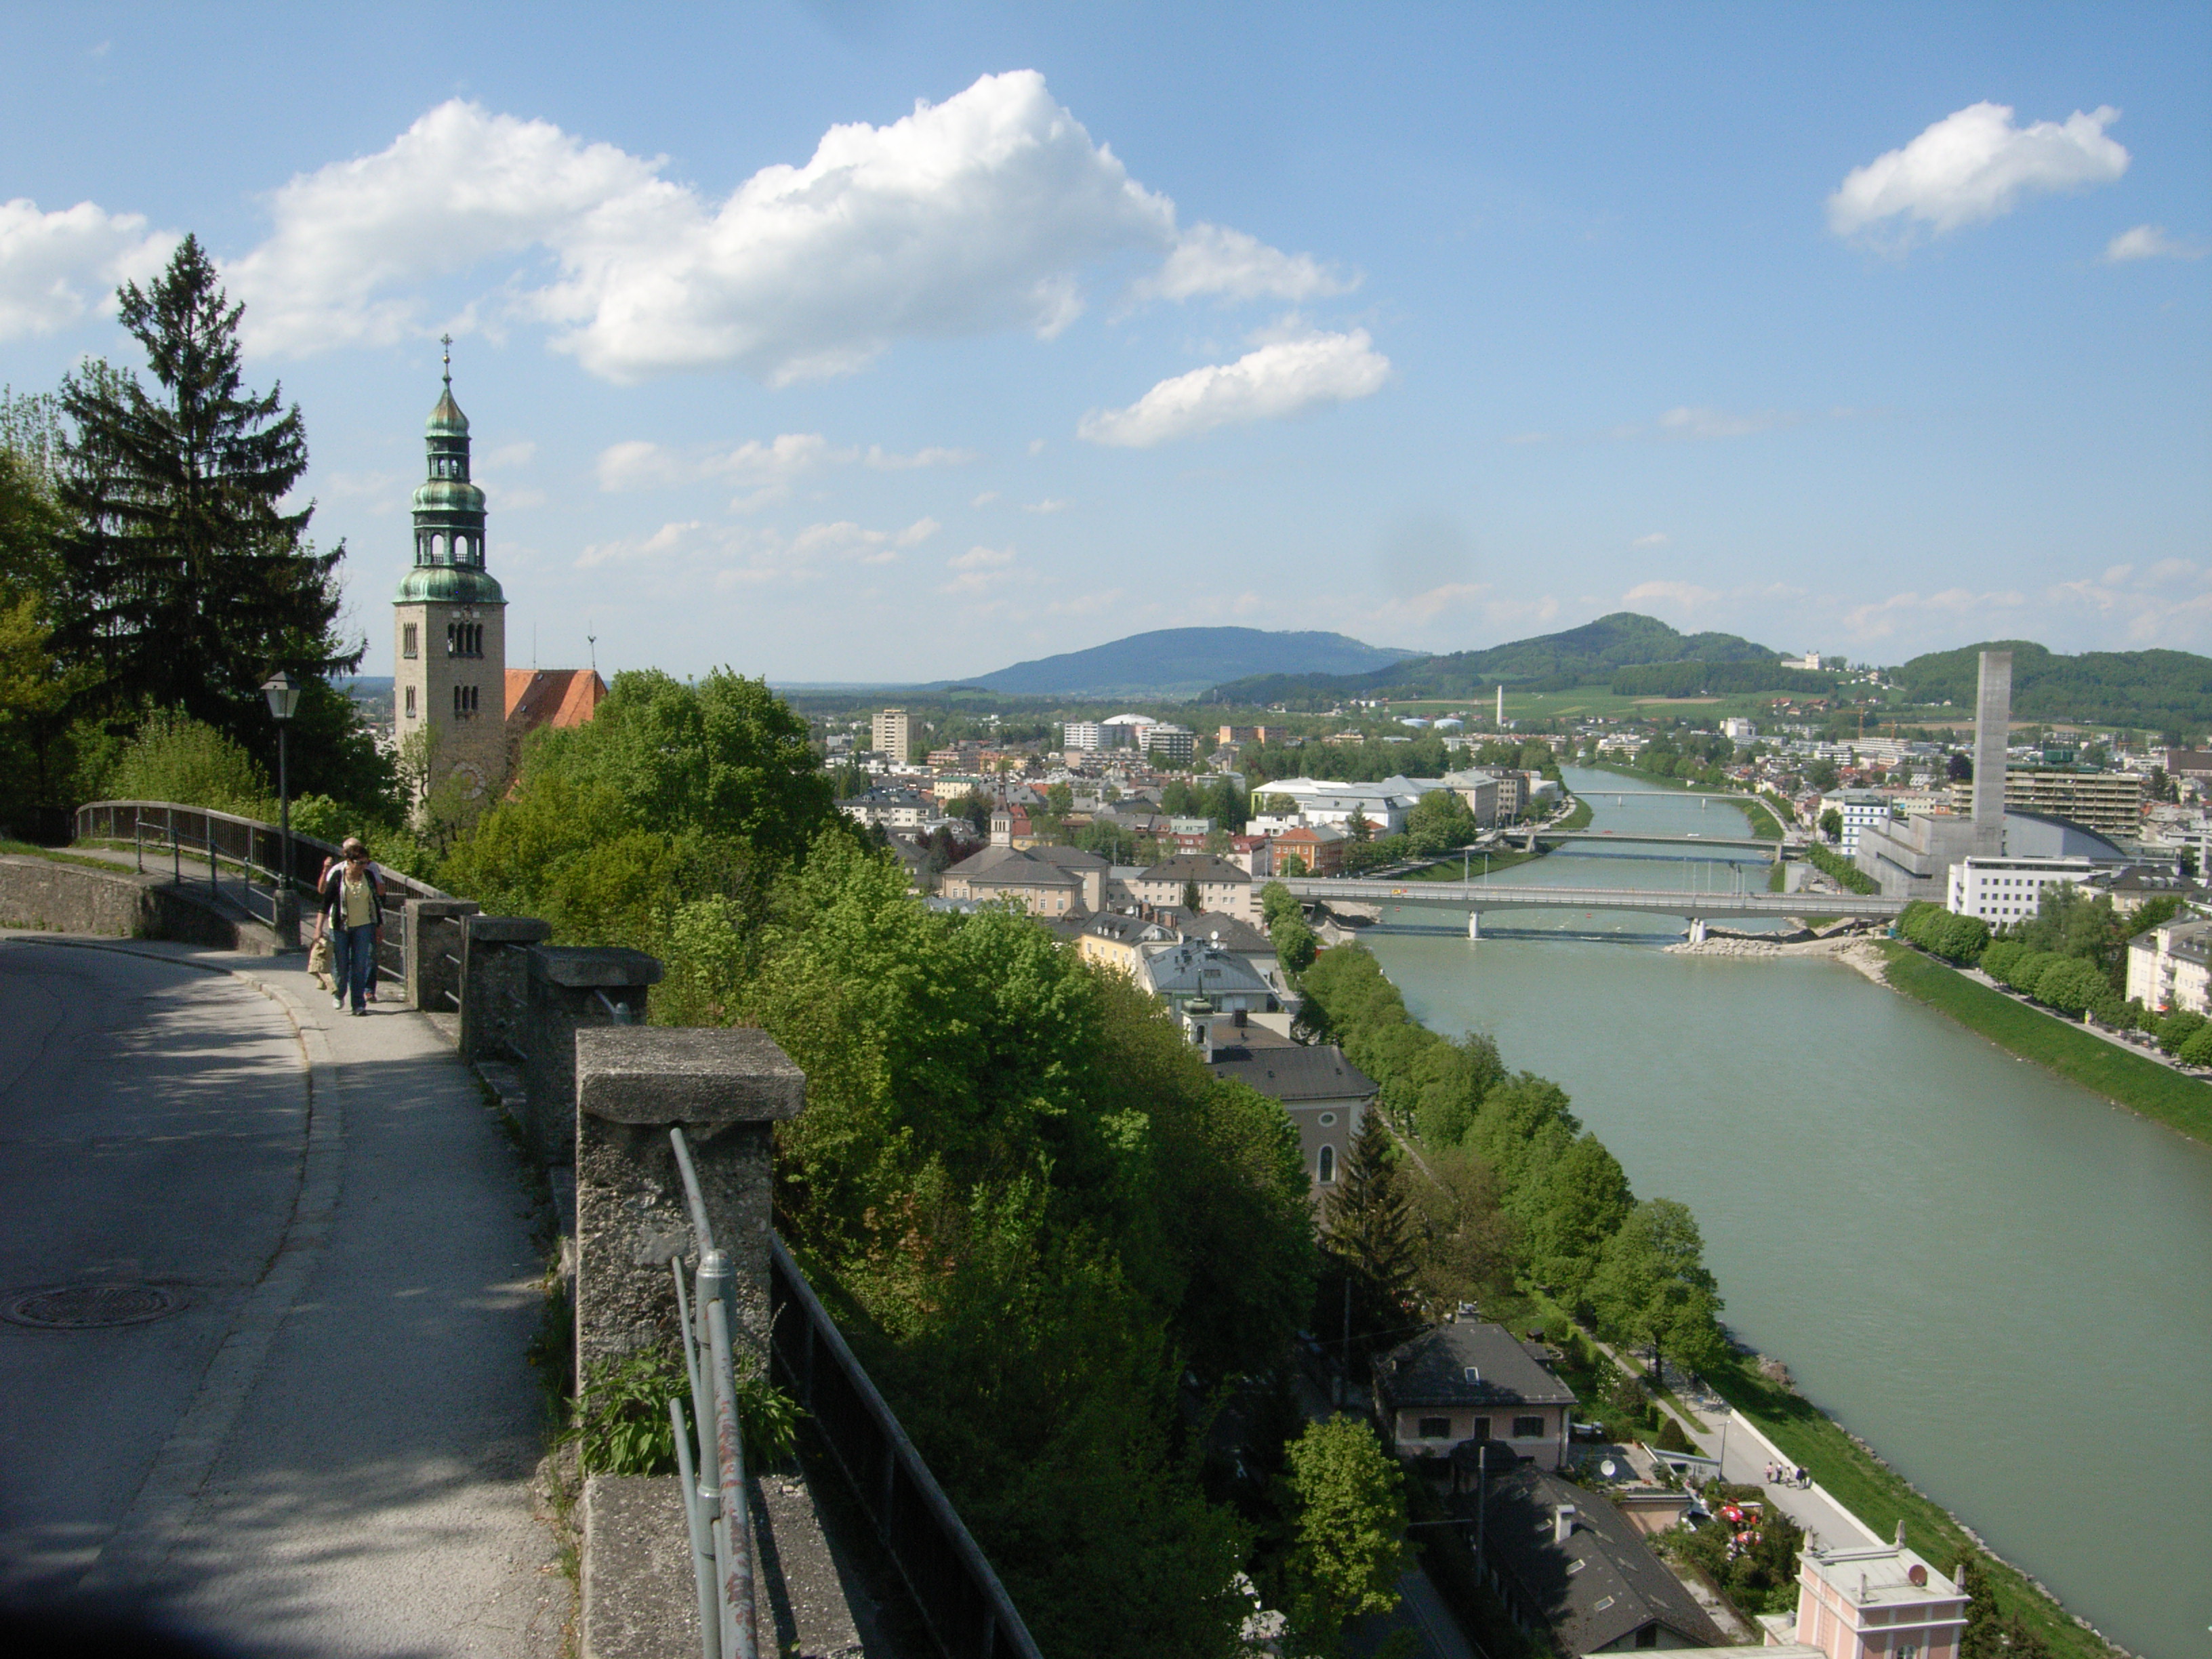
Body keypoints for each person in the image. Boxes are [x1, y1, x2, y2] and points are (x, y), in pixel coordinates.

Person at [316, 839, 384, 1016]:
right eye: (359, 863)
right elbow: (325, 903)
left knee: (360, 966)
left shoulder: (368, 876)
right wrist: (318, 930)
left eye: (365, 863)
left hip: (363, 926)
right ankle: (339, 993)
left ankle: (358, 1005)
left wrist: (378, 926)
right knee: (342, 965)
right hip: (340, 927)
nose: (363, 866)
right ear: (349, 861)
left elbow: (375, 903)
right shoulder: (338, 876)